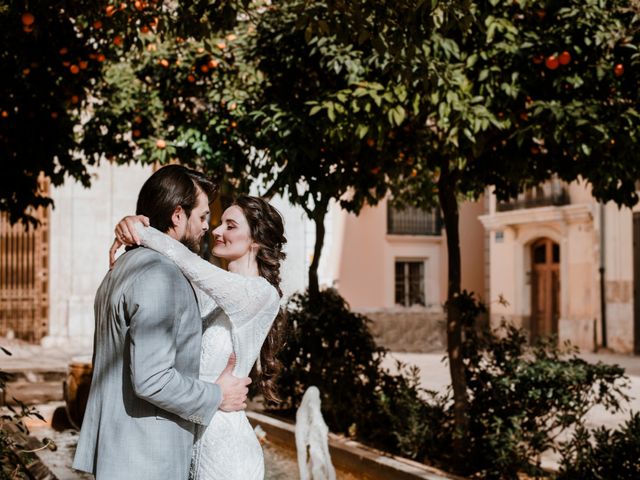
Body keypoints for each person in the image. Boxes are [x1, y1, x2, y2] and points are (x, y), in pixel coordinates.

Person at [73, 165, 251, 480]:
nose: (207, 227)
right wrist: (217, 395)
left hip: (123, 455)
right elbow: (152, 380)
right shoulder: (160, 275)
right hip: (146, 460)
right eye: (202, 217)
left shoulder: (123, 265)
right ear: (177, 215)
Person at [111, 195, 287, 480]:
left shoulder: (260, 294)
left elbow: (184, 260)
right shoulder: (214, 296)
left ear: (256, 240)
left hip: (228, 455)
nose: (216, 231)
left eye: (230, 226)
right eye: (219, 224)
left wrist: (138, 229)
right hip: (192, 438)